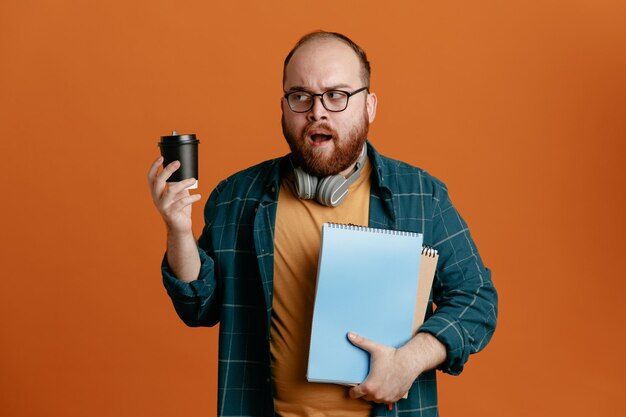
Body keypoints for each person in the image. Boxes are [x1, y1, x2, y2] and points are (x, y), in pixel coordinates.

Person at [148, 31, 497, 417]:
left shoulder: (422, 195)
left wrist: (411, 360)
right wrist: (178, 230)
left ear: (369, 106)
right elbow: (199, 306)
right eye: (301, 96)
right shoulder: (236, 197)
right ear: (283, 107)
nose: (318, 111)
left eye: (337, 95)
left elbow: (478, 299)